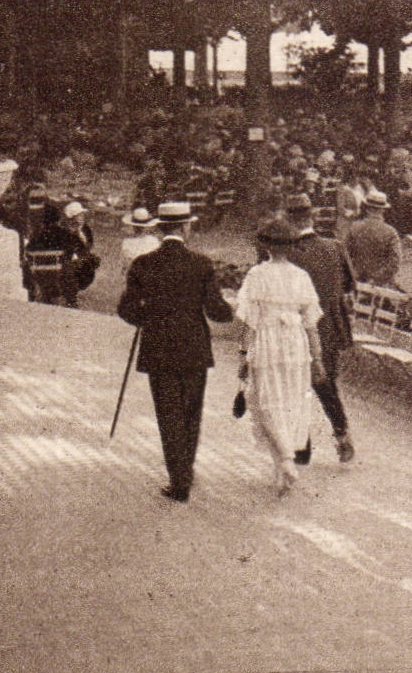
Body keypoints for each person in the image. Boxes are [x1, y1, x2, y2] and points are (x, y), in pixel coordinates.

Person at [116, 201, 235, 503]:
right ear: (185, 227)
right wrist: (231, 309)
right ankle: (187, 470)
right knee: (191, 412)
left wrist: (147, 318)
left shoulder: (143, 264)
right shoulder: (202, 264)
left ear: (161, 227)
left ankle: (177, 478)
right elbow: (217, 312)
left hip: (158, 348)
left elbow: (126, 309)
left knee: (168, 413)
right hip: (194, 348)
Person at [234, 216, 327, 497]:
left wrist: (242, 354)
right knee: (290, 401)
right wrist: (317, 358)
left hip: (267, 342)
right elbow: (311, 323)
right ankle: (281, 466)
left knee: (267, 402)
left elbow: (249, 321)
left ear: (265, 246)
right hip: (296, 345)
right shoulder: (301, 277)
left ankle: (285, 459)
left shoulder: (257, 275)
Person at [280, 194, 358, 465]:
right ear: (311, 217)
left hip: (294, 328)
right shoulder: (335, 247)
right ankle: (342, 434)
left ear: (289, 220)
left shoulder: (284, 253)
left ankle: (303, 447)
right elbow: (349, 286)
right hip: (329, 328)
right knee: (326, 384)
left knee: (295, 386)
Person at [26, 200, 100, 307]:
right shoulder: (65, 234)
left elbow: (28, 251)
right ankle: (71, 299)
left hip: (40, 274)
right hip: (62, 274)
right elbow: (82, 249)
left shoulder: (36, 236)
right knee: (87, 263)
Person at [345, 191, 402, 288]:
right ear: (383, 210)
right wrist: (377, 278)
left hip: (356, 281)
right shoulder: (390, 232)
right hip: (381, 285)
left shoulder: (354, 227)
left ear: (367, 209)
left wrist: (353, 274)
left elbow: (345, 255)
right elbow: (395, 262)